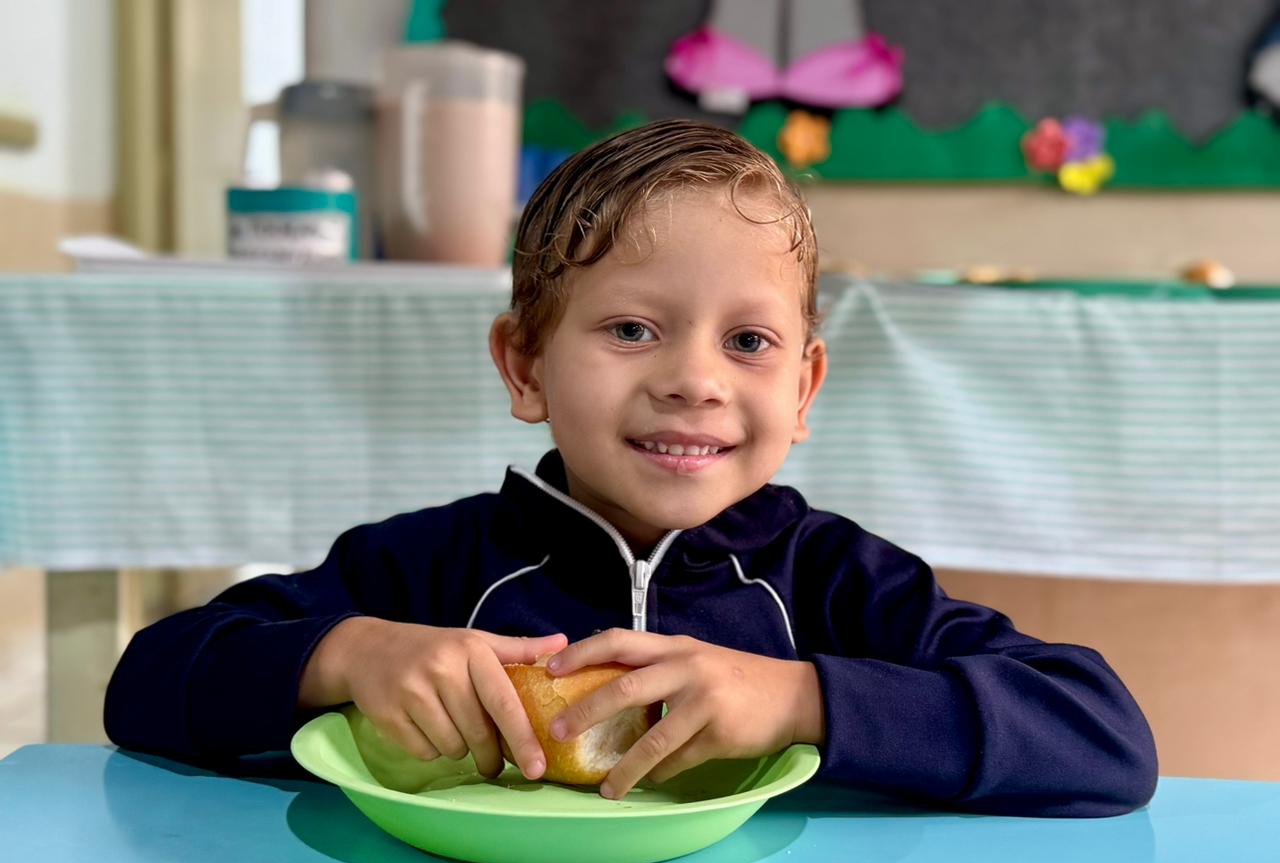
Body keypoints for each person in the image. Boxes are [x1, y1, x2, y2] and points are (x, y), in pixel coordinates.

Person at [104, 118, 1157, 816]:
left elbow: (1104, 737)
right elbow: (144, 684)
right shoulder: (426, 568)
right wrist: (343, 655)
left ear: (802, 390)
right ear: (525, 365)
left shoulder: (839, 582)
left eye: (748, 342)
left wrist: (803, 701)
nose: (694, 381)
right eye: (631, 329)